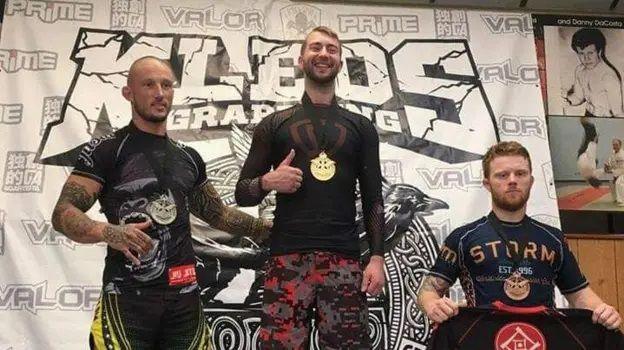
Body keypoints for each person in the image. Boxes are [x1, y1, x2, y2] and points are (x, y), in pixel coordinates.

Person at [51, 56, 270, 349]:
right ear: (128, 93)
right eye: (149, 84)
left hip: (185, 299)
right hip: (127, 300)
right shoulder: (106, 151)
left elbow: (217, 214)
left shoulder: (188, 157)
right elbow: (63, 213)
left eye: (166, 85)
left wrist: (271, 229)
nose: (159, 92)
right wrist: (109, 233)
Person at [234, 26, 385, 349]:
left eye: (331, 49)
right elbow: (242, 192)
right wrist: (267, 181)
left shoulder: (361, 127)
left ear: (340, 63)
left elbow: (374, 198)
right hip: (288, 257)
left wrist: (377, 258)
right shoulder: (274, 124)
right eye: (315, 48)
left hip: (344, 258)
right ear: (302, 60)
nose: (323, 54)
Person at [417, 141, 622, 330]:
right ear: (487, 184)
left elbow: (579, 295)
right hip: (482, 341)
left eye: (520, 173)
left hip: (541, 340)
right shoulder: (463, 238)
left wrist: (604, 310)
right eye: (502, 175)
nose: (513, 181)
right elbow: (429, 290)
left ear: (531, 181)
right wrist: (433, 305)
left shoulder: (554, 239)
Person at [563, 28, 624, 118]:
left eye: (590, 53)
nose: (586, 58)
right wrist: (566, 100)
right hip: (588, 116)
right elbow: (578, 97)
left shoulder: (608, 77)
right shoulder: (579, 70)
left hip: (606, 121)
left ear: (599, 51)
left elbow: (618, 113)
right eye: (581, 53)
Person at [577, 116, 604, 188]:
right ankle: (584, 122)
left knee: (592, 130)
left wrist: (594, 141)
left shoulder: (591, 167)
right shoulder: (587, 177)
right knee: (589, 134)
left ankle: (583, 120)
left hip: (585, 152)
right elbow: (599, 172)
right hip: (581, 156)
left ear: (595, 178)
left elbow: (591, 153)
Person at [605, 138, 624, 205]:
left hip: (622, 173)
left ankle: (622, 200)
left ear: (620, 145)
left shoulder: (622, 155)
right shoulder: (613, 153)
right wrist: (606, 166)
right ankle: (615, 198)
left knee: (619, 182)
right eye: (613, 145)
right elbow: (608, 162)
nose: (615, 146)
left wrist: (615, 175)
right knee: (610, 179)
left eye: (616, 145)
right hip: (615, 172)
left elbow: (622, 168)